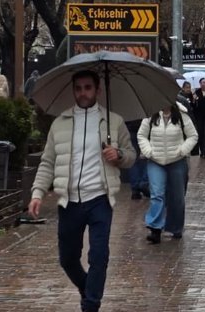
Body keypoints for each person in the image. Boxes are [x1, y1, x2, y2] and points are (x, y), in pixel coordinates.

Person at [28, 70, 136, 312]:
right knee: (67, 259)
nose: (83, 93)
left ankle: (91, 305)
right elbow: (47, 162)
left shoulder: (113, 121)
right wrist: (37, 193)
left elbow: (131, 156)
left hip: (99, 199)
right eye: (78, 88)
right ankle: (87, 288)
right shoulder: (60, 123)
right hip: (70, 201)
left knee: (99, 256)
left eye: (88, 87)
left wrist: (117, 155)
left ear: (97, 90)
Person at [137, 103, 198, 243]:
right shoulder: (150, 116)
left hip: (176, 161)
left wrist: (182, 151)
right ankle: (155, 228)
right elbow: (142, 135)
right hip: (155, 161)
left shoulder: (182, 116)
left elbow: (193, 136)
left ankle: (175, 227)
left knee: (177, 196)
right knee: (157, 194)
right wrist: (148, 151)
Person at [126, 120, 150, 200]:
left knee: (133, 159)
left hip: (129, 128)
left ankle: (135, 189)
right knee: (147, 157)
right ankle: (144, 183)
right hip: (144, 128)